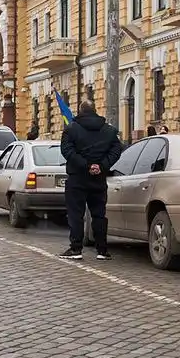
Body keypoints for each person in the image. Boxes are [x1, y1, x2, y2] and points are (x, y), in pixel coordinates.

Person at [59, 101, 123, 261]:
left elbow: (67, 151)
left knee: (76, 214)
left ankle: (76, 249)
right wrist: (102, 166)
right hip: (99, 178)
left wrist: (86, 165)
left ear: (80, 111)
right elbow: (116, 150)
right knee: (99, 214)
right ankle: (102, 250)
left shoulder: (71, 129)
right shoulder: (108, 130)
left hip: (77, 178)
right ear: (95, 110)